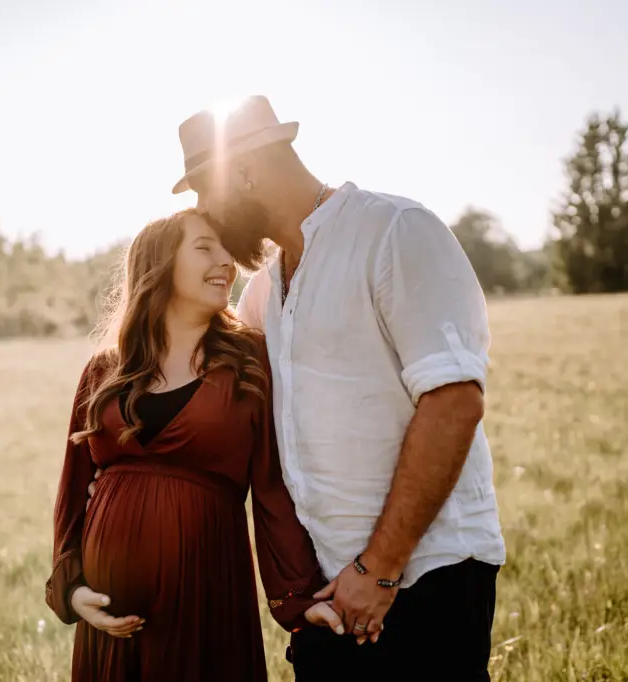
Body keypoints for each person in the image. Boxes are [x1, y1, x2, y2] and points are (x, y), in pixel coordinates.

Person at [167, 95, 506, 680]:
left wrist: (379, 571)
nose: (207, 214)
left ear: (244, 173)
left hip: (426, 579)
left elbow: (453, 403)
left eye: (207, 192)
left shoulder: (393, 231)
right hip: (327, 598)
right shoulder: (261, 294)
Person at [44, 208, 343, 681]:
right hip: (111, 627)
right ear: (159, 265)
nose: (227, 261)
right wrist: (72, 588)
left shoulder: (248, 360)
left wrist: (298, 597)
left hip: (207, 593)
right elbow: (72, 488)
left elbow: (270, 487)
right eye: (205, 247)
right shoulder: (104, 372)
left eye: (227, 249)